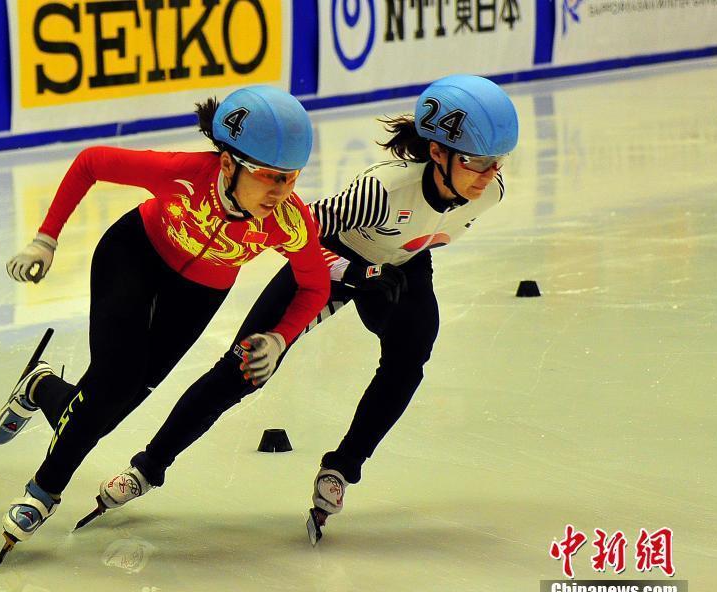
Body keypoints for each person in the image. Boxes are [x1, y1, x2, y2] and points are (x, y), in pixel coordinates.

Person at [82, 74, 519, 542]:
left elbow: (422, 236)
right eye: (476, 163)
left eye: (496, 164)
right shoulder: (383, 192)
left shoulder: (489, 193)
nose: (487, 175)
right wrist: (352, 273)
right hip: (329, 262)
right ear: (438, 152)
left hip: (399, 269)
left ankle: (342, 467)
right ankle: (149, 467)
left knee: (411, 354)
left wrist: (382, 275)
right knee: (242, 369)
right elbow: (296, 230)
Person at [0, 85, 329, 554]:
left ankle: (41, 387)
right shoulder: (186, 174)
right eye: (271, 176)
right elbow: (91, 161)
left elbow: (316, 285)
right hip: (134, 255)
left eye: (291, 178)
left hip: (199, 292)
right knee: (113, 385)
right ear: (229, 164)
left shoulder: (289, 221)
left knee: (111, 408)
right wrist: (46, 239)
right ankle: (42, 492)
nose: (282, 191)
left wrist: (280, 337)